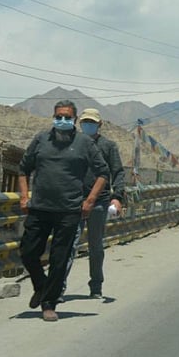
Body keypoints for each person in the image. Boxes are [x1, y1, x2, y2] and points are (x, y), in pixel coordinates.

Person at [18, 100, 109, 322]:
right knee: (28, 252)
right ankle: (41, 286)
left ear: (74, 120)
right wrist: (23, 196)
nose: (62, 120)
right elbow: (23, 169)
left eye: (67, 117)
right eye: (58, 116)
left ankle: (49, 303)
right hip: (39, 208)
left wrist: (89, 201)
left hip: (69, 210)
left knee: (60, 259)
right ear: (53, 116)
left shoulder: (84, 143)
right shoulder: (41, 139)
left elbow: (103, 173)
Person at [66, 108, 125, 299]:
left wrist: (118, 197)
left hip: (99, 203)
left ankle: (96, 286)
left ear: (99, 125)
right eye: (85, 122)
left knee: (95, 246)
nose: (88, 126)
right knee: (69, 245)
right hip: (74, 201)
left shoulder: (108, 146)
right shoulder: (72, 144)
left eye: (92, 122)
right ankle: (57, 288)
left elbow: (118, 172)